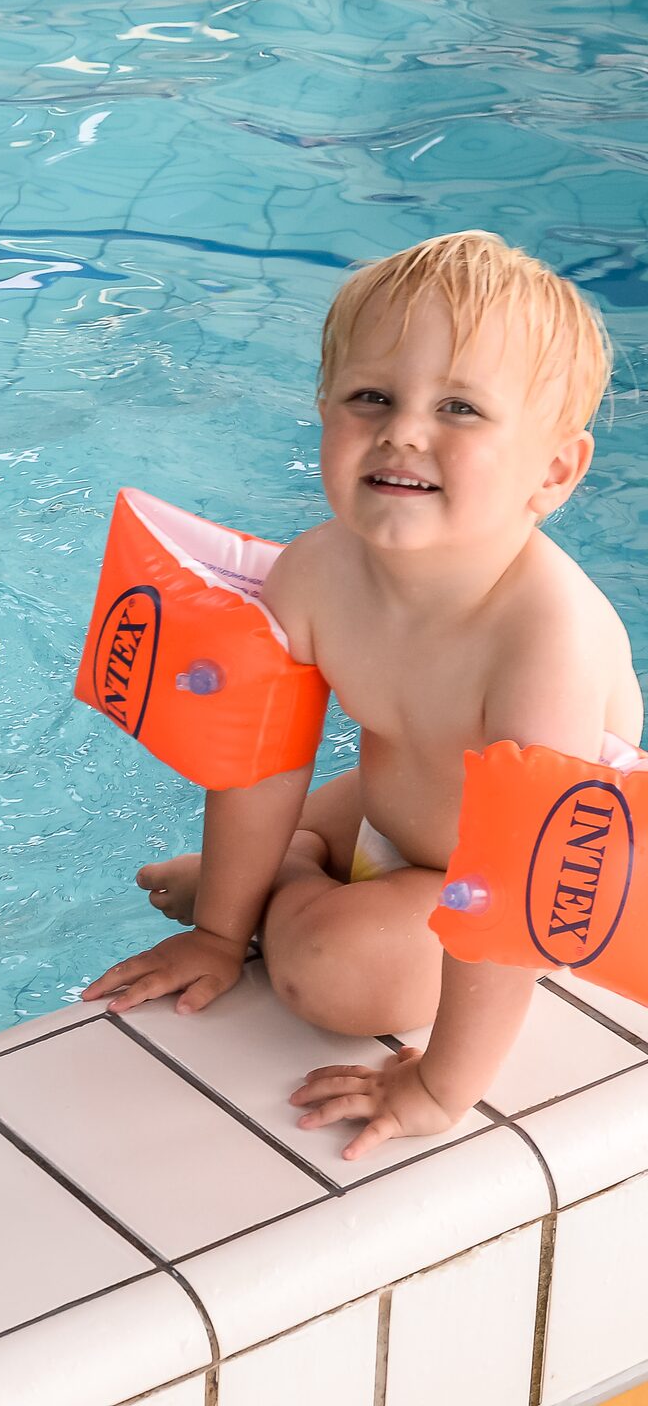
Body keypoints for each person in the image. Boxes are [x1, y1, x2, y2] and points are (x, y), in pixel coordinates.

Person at [83, 232, 643, 1160]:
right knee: (259, 844)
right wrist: (221, 935)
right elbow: (261, 760)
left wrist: (442, 1083)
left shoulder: (546, 640)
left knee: (330, 981)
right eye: (370, 397)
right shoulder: (317, 573)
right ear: (324, 412)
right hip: (391, 808)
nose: (404, 431)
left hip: (505, 879)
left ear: (554, 472)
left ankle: (293, 888)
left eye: (460, 408)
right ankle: (271, 886)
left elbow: (515, 888)